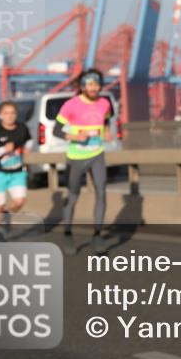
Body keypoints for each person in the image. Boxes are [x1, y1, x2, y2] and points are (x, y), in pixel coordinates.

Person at [53, 69, 113, 255]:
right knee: (73, 197)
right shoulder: (71, 105)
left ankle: (97, 236)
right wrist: (75, 137)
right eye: (90, 84)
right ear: (82, 86)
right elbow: (56, 130)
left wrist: (106, 130)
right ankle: (67, 234)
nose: (94, 88)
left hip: (97, 155)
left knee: (101, 193)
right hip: (76, 158)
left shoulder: (105, 103)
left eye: (97, 84)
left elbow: (106, 120)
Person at [0, 101, 32, 241]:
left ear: (16, 114)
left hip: (17, 172)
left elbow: (29, 140)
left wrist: (27, 148)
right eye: (6, 113)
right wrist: (3, 149)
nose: (10, 116)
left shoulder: (22, 128)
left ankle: (7, 214)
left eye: (12, 113)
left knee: (20, 201)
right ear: (0, 115)